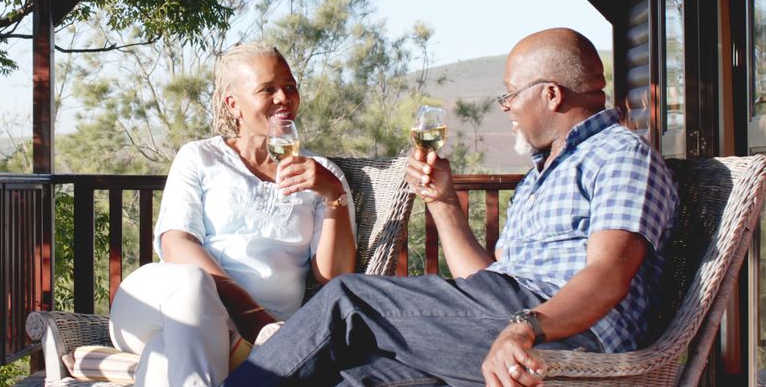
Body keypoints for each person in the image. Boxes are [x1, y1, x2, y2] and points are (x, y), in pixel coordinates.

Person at [226, 28, 679, 387]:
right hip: (511, 317)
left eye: (509, 96)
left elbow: (608, 277)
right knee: (357, 379)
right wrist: (441, 200)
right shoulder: (547, 171)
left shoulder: (618, 155)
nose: (507, 109)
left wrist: (526, 327)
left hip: (572, 338)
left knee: (348, 301)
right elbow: (488, 281)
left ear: (552, 96)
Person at [108, 43, 358, 387]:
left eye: (289, 87)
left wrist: (334, 196)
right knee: (193, 282)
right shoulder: (199, 157)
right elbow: (176, 243)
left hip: (244, 336)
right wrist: (252, 318)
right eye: (267, 89)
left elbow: (335, 275)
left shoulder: (320, 174)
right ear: (233, 105)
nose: (283, 98)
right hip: (158, 307)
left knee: (165, 358)